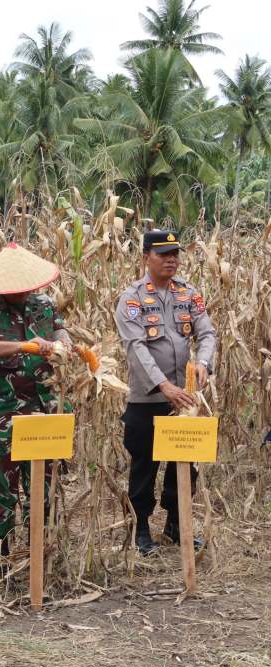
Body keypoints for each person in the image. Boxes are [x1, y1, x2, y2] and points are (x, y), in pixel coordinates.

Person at [0, 243, 72, 555]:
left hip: (43, 408)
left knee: (45, 484)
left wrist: (61, 345)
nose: (23, 291)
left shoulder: (45, 305)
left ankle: (43, 554)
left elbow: (63, 333)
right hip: (3, 413)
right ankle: (1, 557)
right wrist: (23, 346)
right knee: (0, 484)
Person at [115, 230, 216, 555]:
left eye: (175, 253)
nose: (172, 259)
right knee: (144, 464)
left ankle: (176, 525)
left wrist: (202, 362)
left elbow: (207, 333)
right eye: (163, 254)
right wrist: (164, 386)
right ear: (146, 257)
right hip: (148, 399)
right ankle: (142, 529)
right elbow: (137, 349)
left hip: (186, 399)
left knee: (185, 462)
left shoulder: (189, 293)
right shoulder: (132, 299)